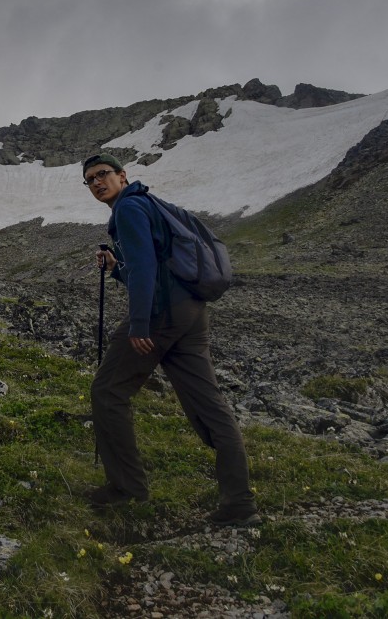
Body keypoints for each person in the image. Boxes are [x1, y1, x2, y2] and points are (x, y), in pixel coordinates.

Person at [81, 153, 259, 527]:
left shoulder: (128, 209)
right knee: (209, 403)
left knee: (108, 391)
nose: (97, 183)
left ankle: (126, 489)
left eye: (103, 175)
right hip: (190, 311)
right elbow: (154, 268)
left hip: (162, 314)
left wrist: (140, 325)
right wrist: (116, 270)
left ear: (122, 175)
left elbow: (146, 270)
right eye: (90, 180)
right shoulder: (152, 204)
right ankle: (238, 502)